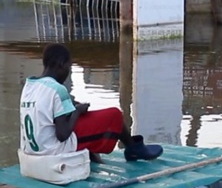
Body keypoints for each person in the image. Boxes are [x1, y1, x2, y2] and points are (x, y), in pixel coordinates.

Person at [19, 43, 163, 164]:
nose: (68, 72)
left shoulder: (30, 85)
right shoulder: (58, 89)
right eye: (69, 67)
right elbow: (62, 135)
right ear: (62, 65)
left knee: (86, 125)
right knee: (114, 115)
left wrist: (73, 107)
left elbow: (47, 112)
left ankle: (94, 156)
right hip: (52, 150)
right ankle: (133, 149)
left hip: (32, 150)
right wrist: (77, 111)